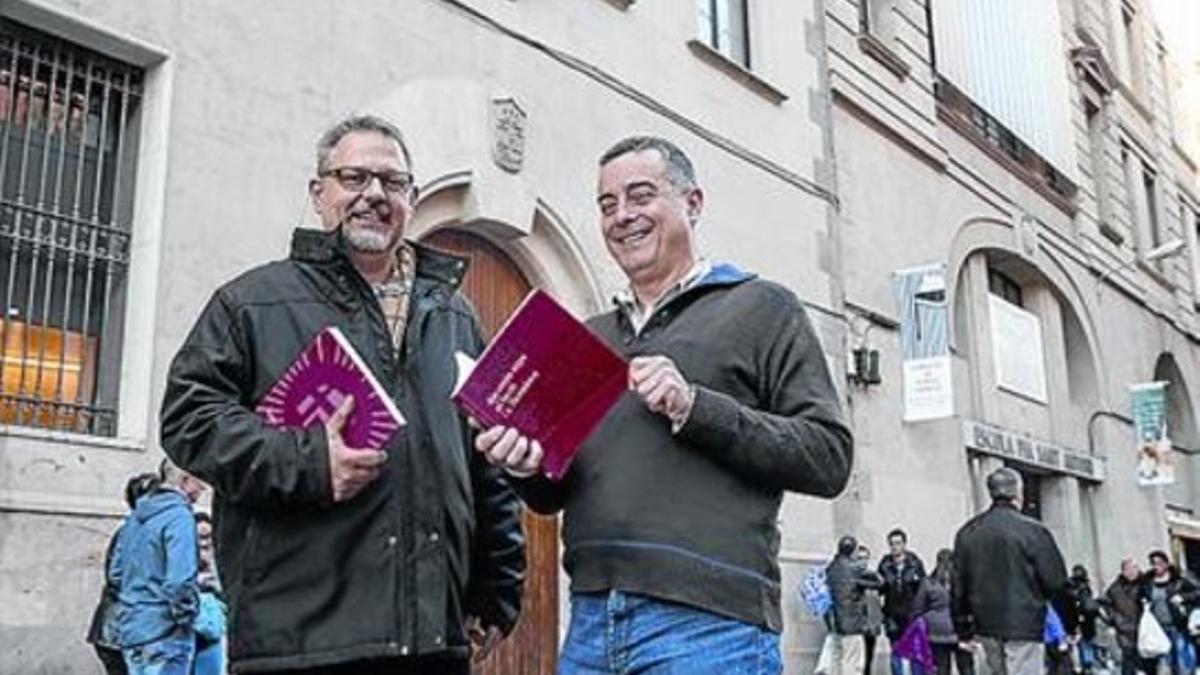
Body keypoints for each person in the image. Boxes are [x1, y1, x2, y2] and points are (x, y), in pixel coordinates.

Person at [159, 115, 526, 675]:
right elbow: (189, 419)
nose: (373, 195)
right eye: (353, 177)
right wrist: (305, 459)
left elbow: (487, 463)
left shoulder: (455, 315)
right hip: (301, 643)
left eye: (392, 182)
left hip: (434, 642)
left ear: (413, 197)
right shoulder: (251, 303)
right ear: (319, 192)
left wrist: (497, 590)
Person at [475, 135, 854, 673]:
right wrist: (524, 468)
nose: (622, 216)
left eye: (640, 195)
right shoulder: (586, 338)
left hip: (711, 629)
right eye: (608, 204)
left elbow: (828, 457)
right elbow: (554, 492)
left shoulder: (762, 307)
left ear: (692, 203)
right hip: (589, 621)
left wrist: (696, 407)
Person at [952, 467, 1073, 675]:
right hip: (1025, 621)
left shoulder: (968, 533)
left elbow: (958, 587)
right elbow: (1056, 583)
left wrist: (962, 629)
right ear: (1018, 493)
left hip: (986, 623)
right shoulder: (1033, 531)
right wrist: (1070, 622)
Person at [110, 461, 206, 675]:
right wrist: (187, 617)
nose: (203, 489)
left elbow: (116, 574)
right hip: (164, 631)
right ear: (185, 480)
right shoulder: (179, 516)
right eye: (200, 482)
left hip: (131, 628)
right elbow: (180, 581)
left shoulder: (135, 517)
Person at [85, 472, 160, 675]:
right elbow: (118, 578)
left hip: (118, 631)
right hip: (122, 632)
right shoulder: (137, 531)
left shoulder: (134, 530)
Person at [828, 536, 884, 675]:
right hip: (853, 624)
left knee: (840, 661)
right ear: (853, 551)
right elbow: (878, 582)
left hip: (836, 622)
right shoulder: (854, 569)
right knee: (853, 663)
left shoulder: (832, 568)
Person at [913, 549, 974, 675]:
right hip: (962, 630)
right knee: (966, 666)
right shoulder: (963, 582)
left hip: (937, 631)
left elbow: (917, 607)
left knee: (942, 667)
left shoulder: (928, 583)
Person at [1140, 550, 1199, 675]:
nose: (1157, 567)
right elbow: (1141, 597)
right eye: (1153, 564)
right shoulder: (1148, 582)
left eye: (1159, 563)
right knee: (1164, 663)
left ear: (1166, 564)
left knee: (1183, 661)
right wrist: (1144, 601)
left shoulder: (1179, 579)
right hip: (1158, 629)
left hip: (1178, 626)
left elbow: (1197, 593)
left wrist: (1183, 598)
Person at [879, 528, 927, 675]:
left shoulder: (915, 564)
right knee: (896, 652)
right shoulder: (885, 565)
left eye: (898, 543)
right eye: (892, 544)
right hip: (892, 615)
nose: (895, 547)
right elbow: (880, 589)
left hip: (912, 614)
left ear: (904, 545)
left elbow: (923, 589)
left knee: (916, 653)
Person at [191, 512, 225, 675]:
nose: (204, 542)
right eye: (200, 537)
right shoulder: (183, 555)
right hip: (194, 626)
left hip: (214, 627)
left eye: (208, 537)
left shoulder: (219, 556)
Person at [1099, 558, 1144, 675]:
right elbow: (1104, 604)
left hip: (1144, 629)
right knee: (1128, 662)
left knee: (1147, 661)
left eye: (1134, 568)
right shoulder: (1116, 587)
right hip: (1125, 630)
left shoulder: (1145, 583)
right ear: (1123, 571)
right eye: (1127, 569)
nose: (1131, 572)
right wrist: (1114, 619)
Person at [1064, 565, 1101, 674]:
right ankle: (1086, 666)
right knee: (1085, 647)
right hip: (1083, 623)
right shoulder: (1084, 588)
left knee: (1080, 648)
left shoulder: (1070, 589)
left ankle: (1082, 667)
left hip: (1078, 623)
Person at [858, 545, 886, 675]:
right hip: (857, 627)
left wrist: (877, 624)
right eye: (859, 558)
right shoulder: (851, 578)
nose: (863, 561)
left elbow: (876, 602)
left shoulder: (874, 577)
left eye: (865, 558)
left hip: (871, 627)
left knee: (868, 660)